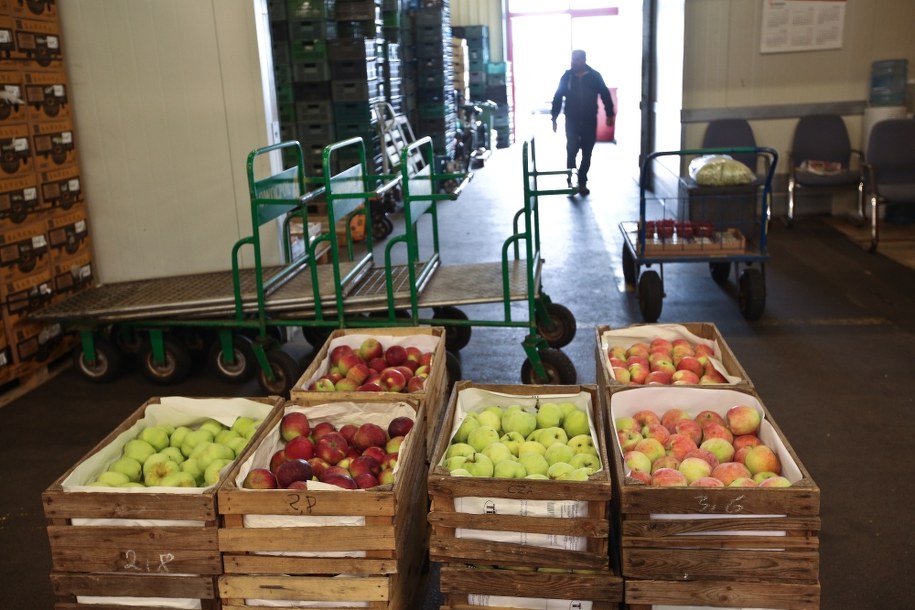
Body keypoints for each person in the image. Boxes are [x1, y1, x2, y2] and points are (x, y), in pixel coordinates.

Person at [551, 49, 614, 196]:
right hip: (571, 120)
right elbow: (558, 97)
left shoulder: (594, 76)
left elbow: (605, 94)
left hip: (589, 120)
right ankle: (571, 181)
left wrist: (610, 114)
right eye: (573, 59)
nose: (574, 62)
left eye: (578, 59)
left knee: (587, 153)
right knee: (571, 150)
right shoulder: (567, 76)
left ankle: (582, 182)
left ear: (584, 60)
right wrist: (554, 118)